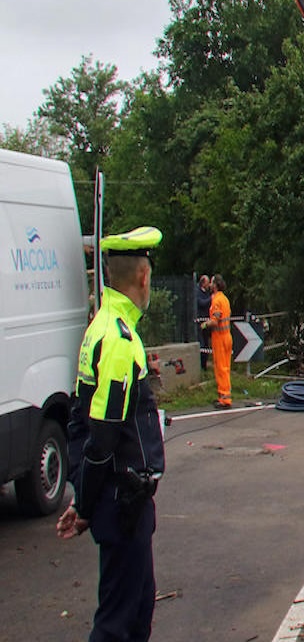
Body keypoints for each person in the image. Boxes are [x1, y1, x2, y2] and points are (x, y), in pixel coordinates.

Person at [57, 226, 165, 642]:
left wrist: (84, 498)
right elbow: (101, 438)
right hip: (123, 499)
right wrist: (85, 505)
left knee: (138, 604)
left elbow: (84, 421)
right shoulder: (119, 339)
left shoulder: (102, 325)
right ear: (142, 277)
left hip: (125, 500)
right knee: (118, 622)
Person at [204, 274, 233, 409]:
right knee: (225, 367)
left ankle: (224, 398)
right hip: (227, 336)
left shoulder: (216, 301)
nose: (210, 285)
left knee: (220, 368)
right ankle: (225, 396)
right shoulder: (225, 299)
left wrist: (205, 324)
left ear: (214, 285)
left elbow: (215, 321)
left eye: (211, 282)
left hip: (220, 338)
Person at [196, 274, 212, 370]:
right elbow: (201, 303)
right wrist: (211, 299)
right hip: (201, 321)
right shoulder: (198, 293)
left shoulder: (206, 293)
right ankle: (201, 366)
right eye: (207, 282)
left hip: (207, 321)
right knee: (202, 343)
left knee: (206, 343)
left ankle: (205, 365)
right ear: (203, 283)